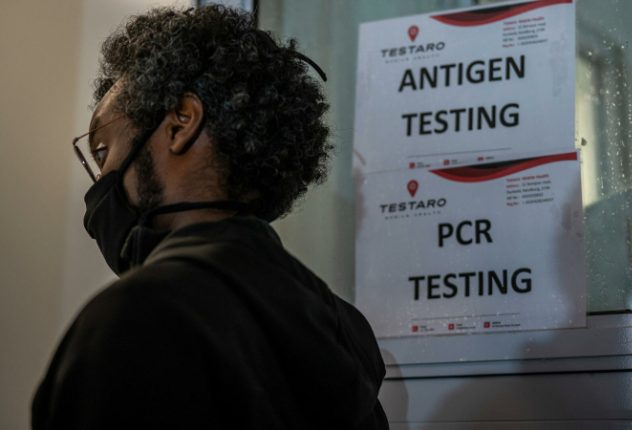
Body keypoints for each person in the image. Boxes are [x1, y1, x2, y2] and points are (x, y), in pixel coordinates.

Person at [32, 5, 388, 429]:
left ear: (181, 123)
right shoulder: (345, 332)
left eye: (103, 150)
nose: (100, 182)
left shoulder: (138, 317)